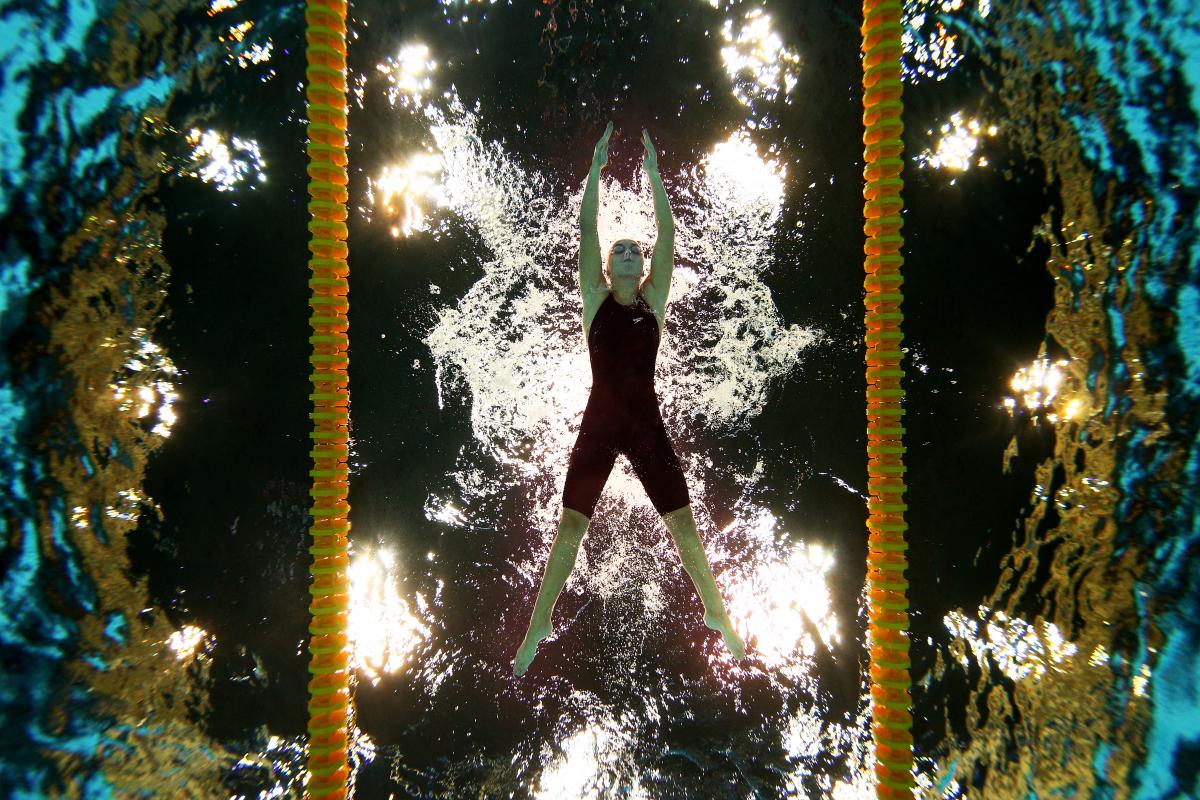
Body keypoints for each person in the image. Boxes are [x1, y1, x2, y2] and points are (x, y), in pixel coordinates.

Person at [512, 122, 747, 676]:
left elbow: (667, 234)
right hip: (600, 422)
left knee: (682, 523)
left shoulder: (653, 301)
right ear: (605, 266)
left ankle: (716, 611)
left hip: (644, 423)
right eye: (616, 249)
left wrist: (656, 178)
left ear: (642, 268)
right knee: (570, 526)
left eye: (631, 250)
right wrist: (593, 171)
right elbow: (587, 226)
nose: (622, 250)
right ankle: (538, 623)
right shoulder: (594, 298)